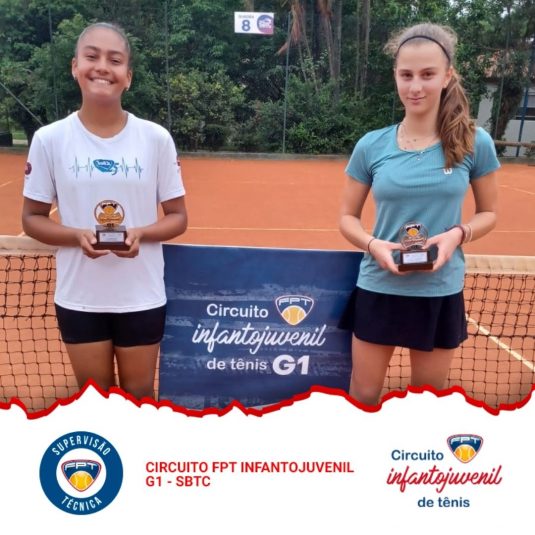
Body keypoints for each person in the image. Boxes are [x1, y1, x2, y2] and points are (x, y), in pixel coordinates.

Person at [22, 22, 187, 400]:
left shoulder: (155, 138)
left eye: (115, 60)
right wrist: (77, 236)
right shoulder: (49, 140)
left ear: (128, 76)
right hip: (79, 297)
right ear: (75, 67)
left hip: (141, 295)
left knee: (139, 395)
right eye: (91, 56)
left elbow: (178, 217)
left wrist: (141, 233)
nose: (102, 67)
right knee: (95, 398)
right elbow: (31, 219)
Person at [339, 23, 499, 406]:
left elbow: (489, 213)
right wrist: (374, 245)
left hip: (438, 290)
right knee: (363, 396)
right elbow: (347, 218)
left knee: (427, 402)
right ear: (395, 76)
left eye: (427, 74)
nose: (415, 86)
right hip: (379, 285)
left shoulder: (474, 142)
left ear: (447, 76)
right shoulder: (371, 145)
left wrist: (457, 234)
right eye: (406, 75)